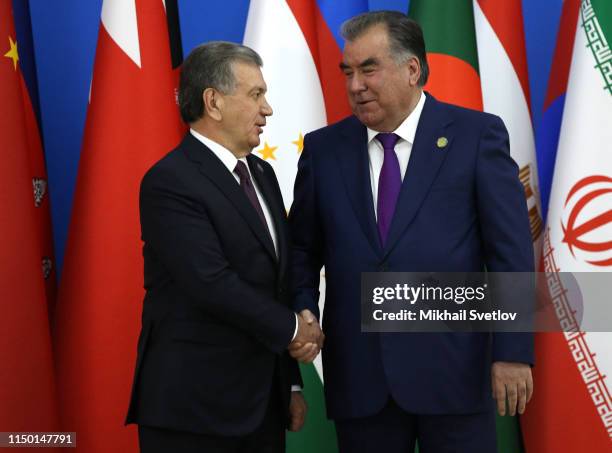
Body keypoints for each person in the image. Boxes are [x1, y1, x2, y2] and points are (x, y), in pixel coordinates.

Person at [289, 11, 534, 452]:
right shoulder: (324, 150)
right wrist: (304, 307)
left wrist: (512, 351)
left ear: (412, 69)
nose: (355, 85)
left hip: (454, 373)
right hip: (361, 380)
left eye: (369, 69)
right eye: (348, 72)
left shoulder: (476, 136)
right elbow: (302, 250)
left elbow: (509, 252)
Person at [125, 41, 323, 453]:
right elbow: (210, 282)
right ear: (213, 102)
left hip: (263, 405)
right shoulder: (171, 181)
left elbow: (276, 282)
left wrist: (288, 381)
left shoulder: (263, 174)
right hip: (194, 410)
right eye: (256, 95)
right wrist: (293, 330)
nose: (267, 109)